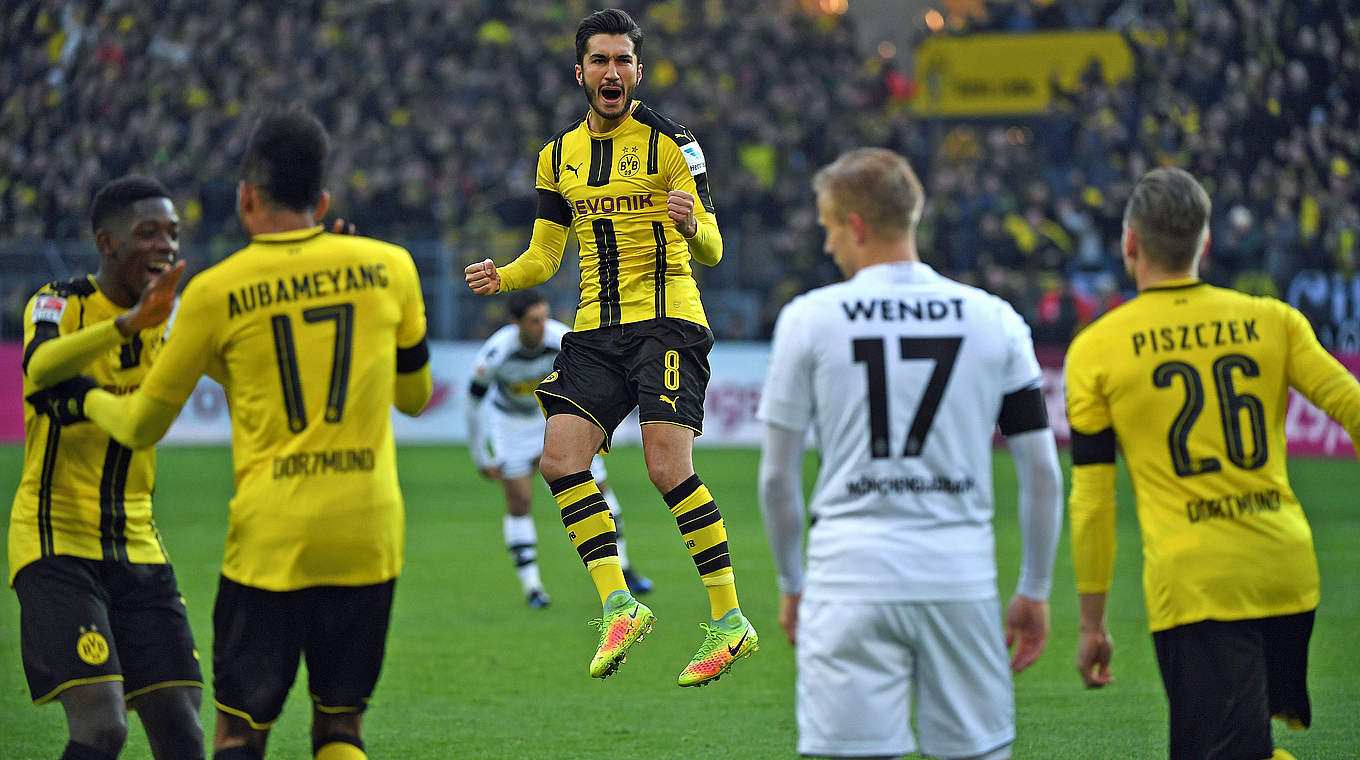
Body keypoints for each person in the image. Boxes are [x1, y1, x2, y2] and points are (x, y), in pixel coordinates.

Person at [35, 108, 433, 760]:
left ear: (247, 197)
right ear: (323, 200)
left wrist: (82, 396)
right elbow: (414, 398)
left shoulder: (216, 293)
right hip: (369, 530)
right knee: (340, 728)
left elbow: (138, 427)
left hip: (272, 536)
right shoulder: (390, 266)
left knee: (239, 734)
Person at [464, 7, 757, 687]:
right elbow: (545, 254)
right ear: (580, 72)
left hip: (668, 323)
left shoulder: (672, 144)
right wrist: (502, 276)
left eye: (623, 60)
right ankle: (619, 603)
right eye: (600, 60)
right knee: (560, 458)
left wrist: (690, 226)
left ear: (638, 71)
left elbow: (714, 248)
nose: (612, 71)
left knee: (664, 470)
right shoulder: (557, 154)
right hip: (595, 329)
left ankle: (728, 620)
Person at [757, 147, 1063, 760]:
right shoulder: (994, 319)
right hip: (959, 578)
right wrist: (1033, 586)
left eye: (829, 229)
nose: (826, 247)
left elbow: (777, 480)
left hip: (848, 579)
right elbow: (1042, 473)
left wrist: (793, 582)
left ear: (858, 226)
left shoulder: (809, 319)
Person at [1065, 166, 1360, 760]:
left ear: (1129, 242)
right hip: (1287, 570)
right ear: (1206, 242)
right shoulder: (1273, 320)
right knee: (1246, 744)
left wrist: (1092, 624)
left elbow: (1093, 500)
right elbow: (1351, 405)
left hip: (1199, 584)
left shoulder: (1098, 347)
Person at [10, 176, 201, 760]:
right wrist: (127, 324)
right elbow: (40, 364)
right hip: (56, 541)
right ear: (107, 242)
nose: (165, 246)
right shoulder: (58, 300)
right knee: (103, 727)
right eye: (147, 233)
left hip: (139, 546)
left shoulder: (176, 320)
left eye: (171, 234)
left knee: (184, 733)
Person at [465, 289, 653, 609]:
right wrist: (481, 456)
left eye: (544, 317)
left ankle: (623, 566)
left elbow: (597, 383)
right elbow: (473, 403)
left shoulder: (562, 340)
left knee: (596, 487)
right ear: (516, 323)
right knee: (519, 499)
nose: (541, 326)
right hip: (511, 423)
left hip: (555, 415)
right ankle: (533, 587)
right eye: (533, 321)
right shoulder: (496, 353)